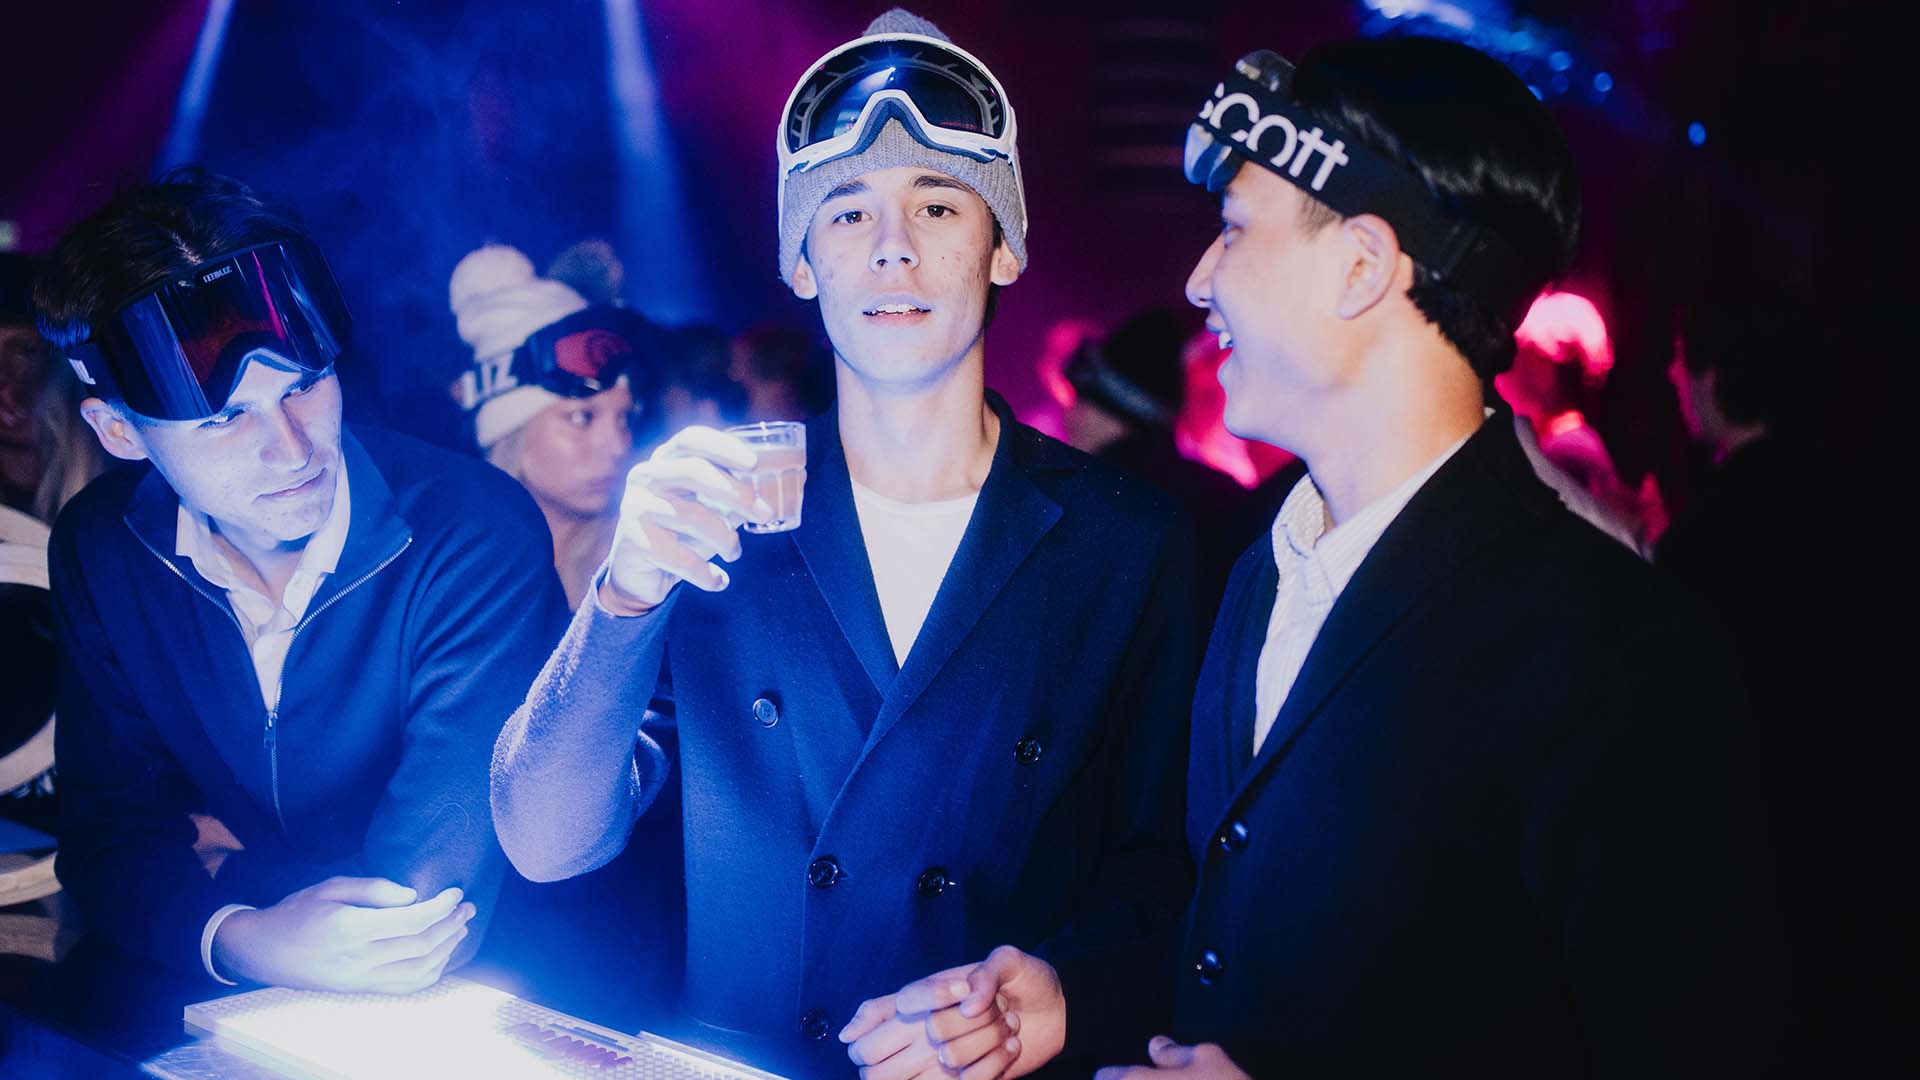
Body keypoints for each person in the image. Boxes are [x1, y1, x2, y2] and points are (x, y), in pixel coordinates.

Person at [857, 36, 1786, 1077]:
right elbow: (1254, 950)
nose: (1199, 280)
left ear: (1362, 267)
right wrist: (1074, 999)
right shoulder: (1268, 572)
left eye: (1234, 228)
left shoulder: (1609, 649)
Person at [491, 10, 1198, 1076]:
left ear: (1004, 247)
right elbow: (547, 841)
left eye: (938, 204)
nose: (892, 246)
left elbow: (1166, 870)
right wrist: (622, 594)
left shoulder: (1125, 542)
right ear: (802, 262)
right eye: (849, 210)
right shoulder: (721, 514)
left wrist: (1055, 987)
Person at [34, 168, 568, 991]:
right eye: (224, 419)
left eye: (305, 385)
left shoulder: (474, 532)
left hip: (533, 986)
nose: (291, 450)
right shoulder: (101, 546)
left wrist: (230, 880)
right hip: (257, 999)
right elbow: (106, 839)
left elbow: (417, 919)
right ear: (119, 432)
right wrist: (244, 937)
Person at [450, 243, 657, 608]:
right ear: (511, 432)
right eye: (582, 417)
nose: (618, 447)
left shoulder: (643, 567)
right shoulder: (452, 580)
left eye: (623, 419)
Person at [1062, 308, 1253, 618]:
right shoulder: (1225, 497)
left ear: (1105, 410)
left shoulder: (1083, 500)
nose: (1069, 417)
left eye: (1078, 401)